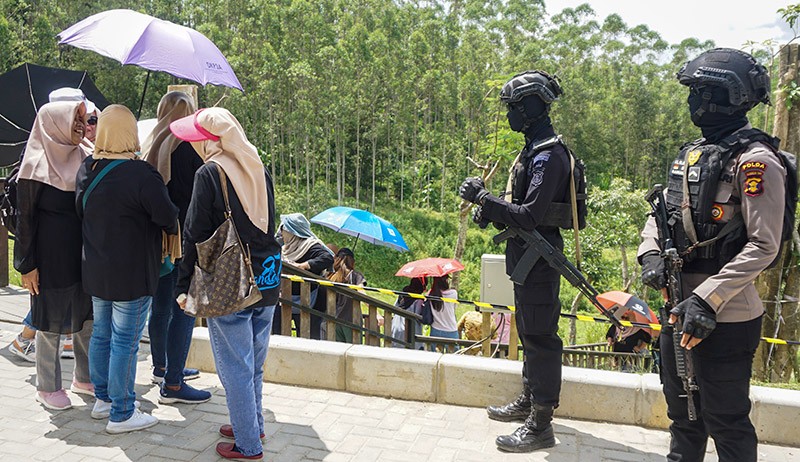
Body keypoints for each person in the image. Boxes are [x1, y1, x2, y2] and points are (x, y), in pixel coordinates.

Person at [638, 48, 781, 462]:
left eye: (698, 92)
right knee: (683, 416)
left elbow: (763, 244)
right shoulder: (692, 155)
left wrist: (708, 298)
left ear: (725, 96)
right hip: (676, 308)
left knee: (727, 421)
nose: (690, 102)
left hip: (726, 316)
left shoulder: (755, 162)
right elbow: (662, 214)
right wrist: (650, 253)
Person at [460, 70, 570, 452]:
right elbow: (518, 209)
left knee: (541, 337)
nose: (508, 115)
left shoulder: (549, 155)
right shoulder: (533, 150)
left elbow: (529, 216)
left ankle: (542, 424)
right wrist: (490, 210)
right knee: (529, 331)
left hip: (540, 258)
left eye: (513, 108)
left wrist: (484, 199)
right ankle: (528, 400)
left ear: (531, 107)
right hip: (527, 257)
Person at [171, 107, 281, 461]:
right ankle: (253, 423)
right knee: (254, 361)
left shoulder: (210, 173)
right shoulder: (259, 168)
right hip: (267, 277)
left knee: (235, 366)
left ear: (214, 140)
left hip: (231, 282)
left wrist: (182, 285)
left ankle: (249, 445)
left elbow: (195, 234)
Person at [76, 105, 179, 433]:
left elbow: (81, 211)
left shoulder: (86, 170)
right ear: (132, 133)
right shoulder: (142, 175)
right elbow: (167, 217)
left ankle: (103, 400)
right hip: (132, 273)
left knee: (102, 333)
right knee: (125, 340)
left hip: (96, 268)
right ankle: (122, 413)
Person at [13, 101, 94, 410]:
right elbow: (25, 221)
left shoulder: (87, 157)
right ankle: (47, 386)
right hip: (48, 259)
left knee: (86, 318)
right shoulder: (34, 164)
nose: (80, 125)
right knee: (50, 321)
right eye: (74, 118)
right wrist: (27, 265)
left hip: (83, 256)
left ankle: (83, 377)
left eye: (83, 119)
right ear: (54, 122)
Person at [141, 91, 209, 404]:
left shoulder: (152, 142)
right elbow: (197, 198)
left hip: (155, 240)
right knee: (184, 307)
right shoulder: (188, 149)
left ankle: (161, 366)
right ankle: (174, 383)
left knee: (160, 306)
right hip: (184, 240)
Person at [273, 213, 334, 337]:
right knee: (277, 333)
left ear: (292, 231)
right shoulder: (285, 248)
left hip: (310, 299)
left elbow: (327, 258)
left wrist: (303, 266)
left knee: (309, 337)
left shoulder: (310, 245)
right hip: (284, 296)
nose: (281, 233)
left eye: (283, 229)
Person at [328, 247, 367, 343]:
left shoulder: (332, 276)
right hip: (352, 320)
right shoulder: (356, 276)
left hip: (335, 319)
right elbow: (362, 293)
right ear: (352, 261)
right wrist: (377, 315)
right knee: (354, 351)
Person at [390, 277, 427, 350]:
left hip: (396, 327)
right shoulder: (419, 300)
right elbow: (419, 316)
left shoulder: (403, 294)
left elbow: (395, 307)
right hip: (410, 332)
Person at [427, 275, 459, 352]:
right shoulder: (453, 293)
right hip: (451, 329)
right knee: (452, 359)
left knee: (435, 358)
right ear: (446, 281)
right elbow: (454, 308)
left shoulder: (430, 294)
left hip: (436, 329)